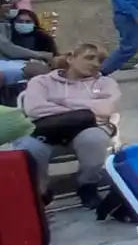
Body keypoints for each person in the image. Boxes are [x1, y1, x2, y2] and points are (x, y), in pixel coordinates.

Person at [14, 44, 120, 207]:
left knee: (95, 139)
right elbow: (35, 109)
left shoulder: (105, 83)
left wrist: (60, 102)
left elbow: (105, 109)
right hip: (47, 131)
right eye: (89, 57)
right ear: (70, 58)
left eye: (100, 60)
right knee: (27, 147)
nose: (96, 64)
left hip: (84, 131)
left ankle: (87, 185)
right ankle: (40, 190)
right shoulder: (41, 81)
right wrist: (85, 110)